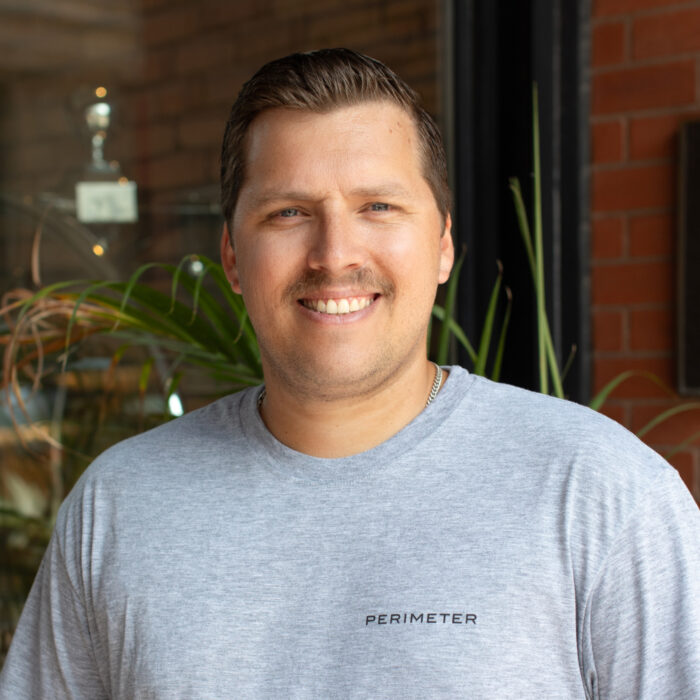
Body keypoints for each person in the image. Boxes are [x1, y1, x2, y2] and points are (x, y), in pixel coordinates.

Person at [1, 48, 699, 699]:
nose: (334, 254)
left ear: (443, 245)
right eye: (289, 213)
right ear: (233, 260)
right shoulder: (119, 508)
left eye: (378, 207)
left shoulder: (601, 496)